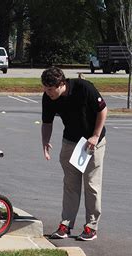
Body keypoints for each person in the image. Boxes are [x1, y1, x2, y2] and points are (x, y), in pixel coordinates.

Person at [41, 67, 107, 241]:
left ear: (61, 84)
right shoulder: (48, 98)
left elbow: (103, 110)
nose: (47, 93)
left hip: (93, 142)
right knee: (70, 185)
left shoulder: (84, 88)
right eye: (45, 89)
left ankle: (91, 227)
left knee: (91, 185)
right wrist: (45, 141)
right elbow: (47, 122)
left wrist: (95, 135)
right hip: (70, 142)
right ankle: (66, 224)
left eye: (50, 89)